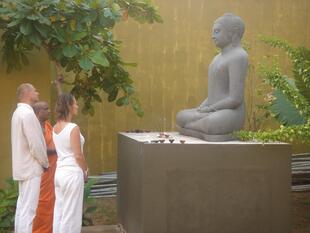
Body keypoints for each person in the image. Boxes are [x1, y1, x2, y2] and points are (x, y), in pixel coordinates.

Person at [176, 13, 248, 141]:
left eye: (217, 31)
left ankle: (193, 126)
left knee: (211, 123)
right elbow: (213, 94)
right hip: (212, 109)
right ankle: (197, 125)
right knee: (181, 116)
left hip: (231, 112)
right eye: (213, 32)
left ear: (233, 33)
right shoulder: (217, 58)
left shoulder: (239, 56)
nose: (212, 36)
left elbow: (235, 99)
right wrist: (202, 108)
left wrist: (210, 109)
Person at [11, 83, 49, 233]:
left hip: (23, 167)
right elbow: (36, 144)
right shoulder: (27, 114)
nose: (37, 92)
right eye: (35, 90)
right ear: (27, 93)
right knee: (29, 211)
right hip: (31, 168)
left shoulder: (18, 112)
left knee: (22, 208)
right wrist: (45, 163)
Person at [52, 93, 89, 233]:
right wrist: (85, 170)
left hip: (60, 173)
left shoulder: (55, 127)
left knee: (60, 212)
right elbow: (78, 155)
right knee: (71, 215)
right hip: (72, 173)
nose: (77, 106)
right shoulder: (73, 127)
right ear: (68, 106)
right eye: (75, 103)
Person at [32, 101, 57, 233]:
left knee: (51, 203)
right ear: (38, 112)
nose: (49, 110)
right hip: (43, 172)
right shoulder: (34, 128)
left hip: (53, 170)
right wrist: (58, 150)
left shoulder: (47, 125)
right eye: (45, 109)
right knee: (42, 203)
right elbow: (38, 149)